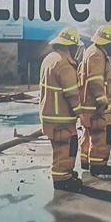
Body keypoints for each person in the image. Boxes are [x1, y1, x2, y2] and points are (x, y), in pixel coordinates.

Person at [38, 28, 85, 191]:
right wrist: (81, 114)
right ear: (70, 46)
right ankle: (62, 180)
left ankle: (65, 173)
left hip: (51, 116)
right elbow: (72, 93)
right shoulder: (64, 64)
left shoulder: (50, 59)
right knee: (66, 148)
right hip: (61, 118)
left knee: (60, 148)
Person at [78, 25, 111, 179]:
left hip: (88, 106)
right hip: (96, 107)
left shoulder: (93, 51)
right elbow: (96, 81)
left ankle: (86, 161)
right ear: (106, 42)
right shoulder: (97, 55)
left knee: (89, 135)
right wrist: (102, 102)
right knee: (101, 136)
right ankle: (98, 166)